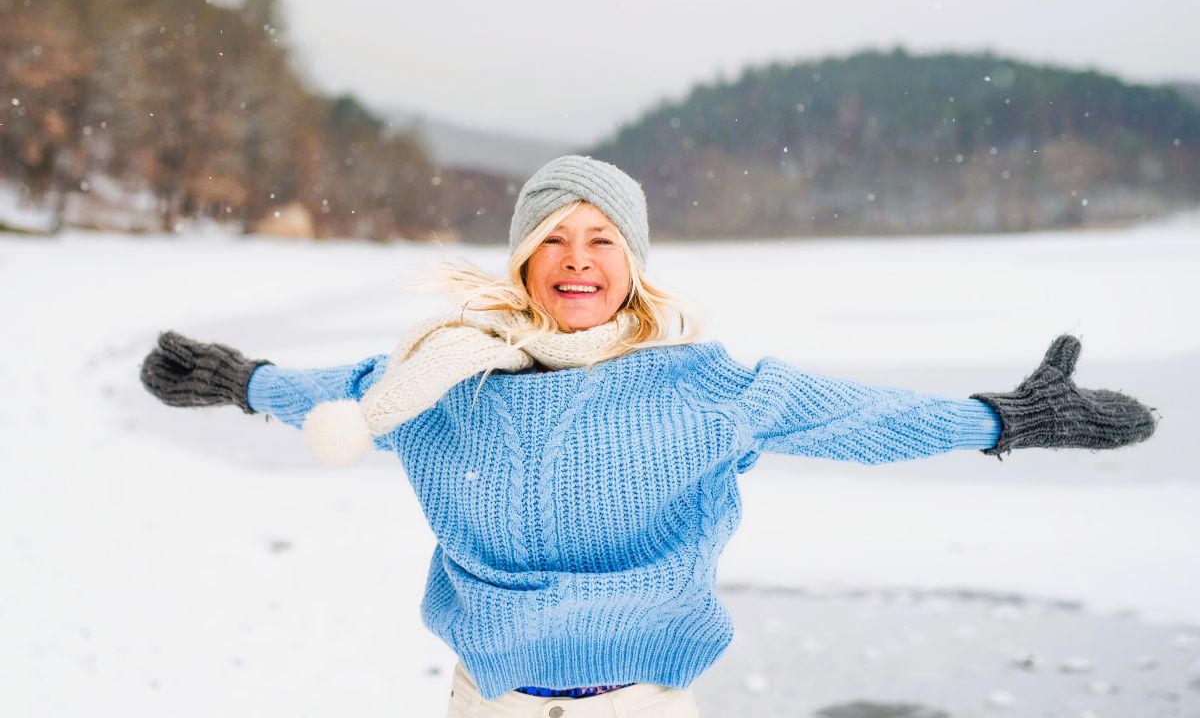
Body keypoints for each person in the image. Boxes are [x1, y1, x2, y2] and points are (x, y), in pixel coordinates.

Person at [140, 155, 1159, 717]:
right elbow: (331, 395)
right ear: (524, 258)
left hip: (642, 705)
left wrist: (1002, 417)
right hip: (484, 701)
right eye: (554, 238)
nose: (576, 260)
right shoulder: (438, 376)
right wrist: (239, 380)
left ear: (632, 262)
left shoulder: (705, 385)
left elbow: (860, 418)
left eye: (602, 240)